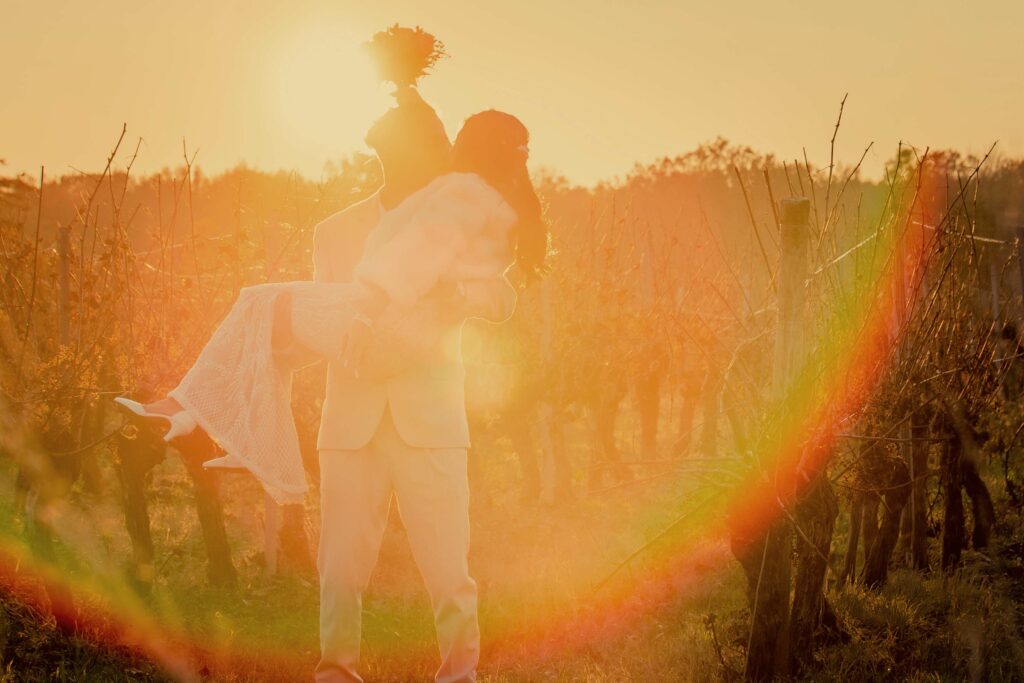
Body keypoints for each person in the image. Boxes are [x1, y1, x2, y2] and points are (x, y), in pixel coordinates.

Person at [118, 103, 546, 683]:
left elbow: (501, 294)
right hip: (351, 420)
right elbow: (320, 335)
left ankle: (459, 676)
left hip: (431, 422)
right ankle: (335, 674)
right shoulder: (336, 230)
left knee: (449, 573)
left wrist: (460, 302)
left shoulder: (452, 210)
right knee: (339, 574)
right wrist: (335, 339)